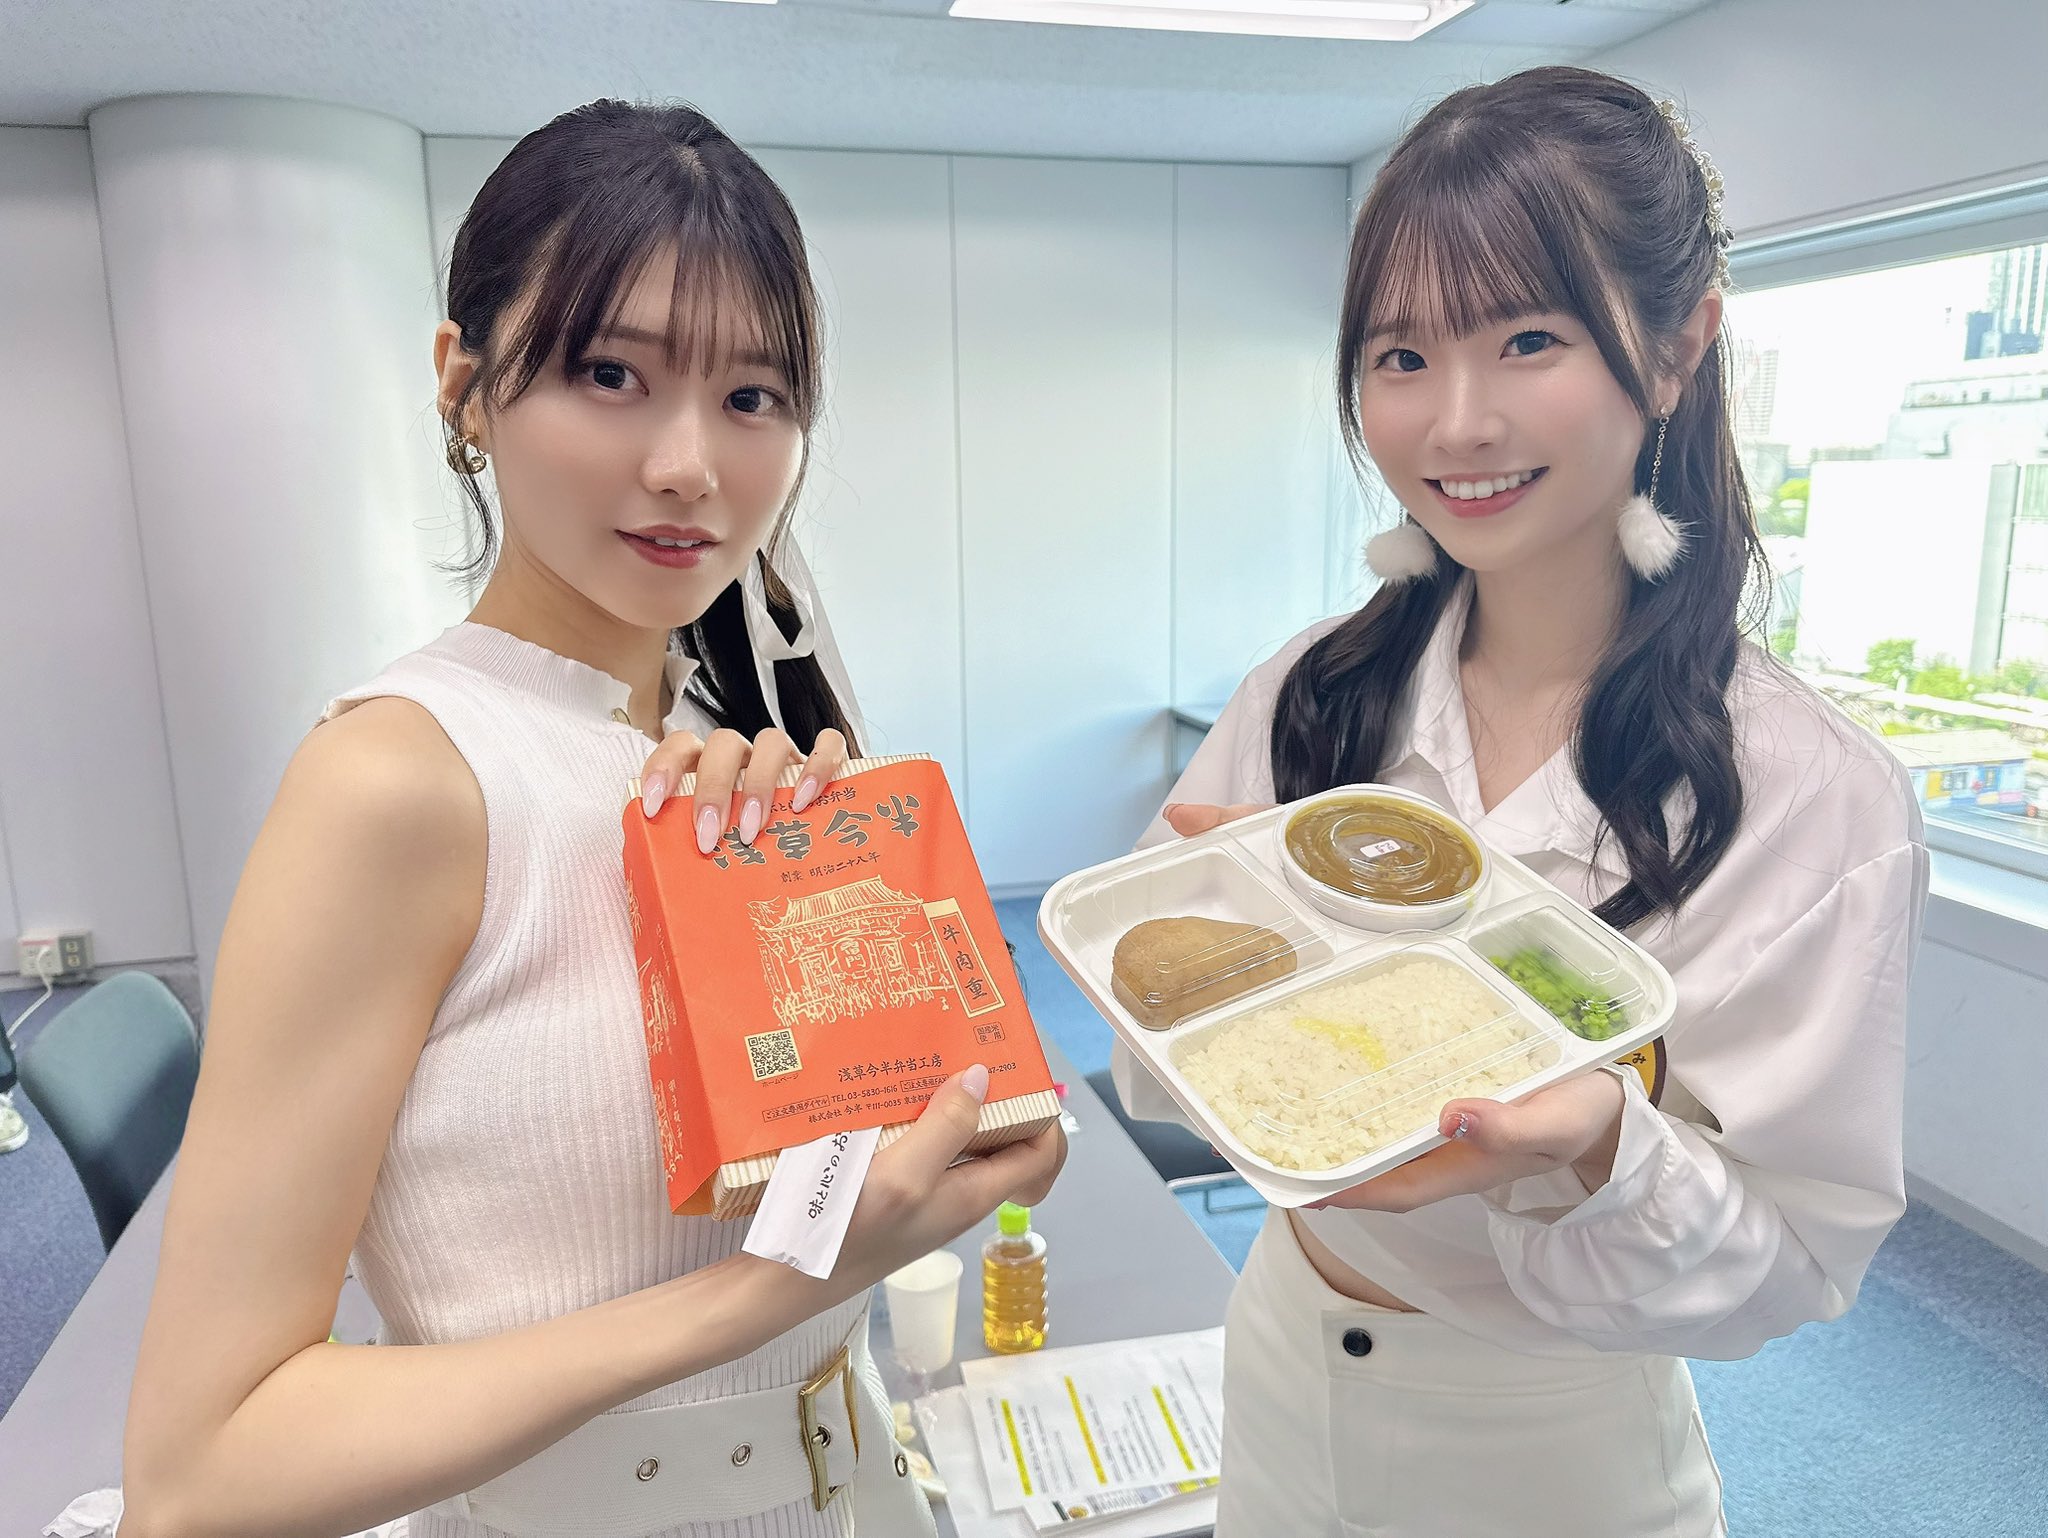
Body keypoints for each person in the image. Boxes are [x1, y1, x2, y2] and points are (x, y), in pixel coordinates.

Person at [121, 99, 1063, 1538]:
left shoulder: (711, 753)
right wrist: (764, 1290)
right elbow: (202, 1473)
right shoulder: (400, 782)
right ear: (466, 385)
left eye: (753, 396)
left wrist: (909, 1052)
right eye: (611, 373)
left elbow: (834, 1180)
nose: (690, 463)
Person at [1117, 65, 1928, 1537]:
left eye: (1529, 339)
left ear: (1678, 348)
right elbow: (1151, 1070)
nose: (1457, 422)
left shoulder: (1813, 798)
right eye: (1401, 355)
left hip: (1547, 1440)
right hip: (1281, 1354)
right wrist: (1211, 965)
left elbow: (1791, 1265)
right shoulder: (1312, 694)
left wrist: (1598, 1141)